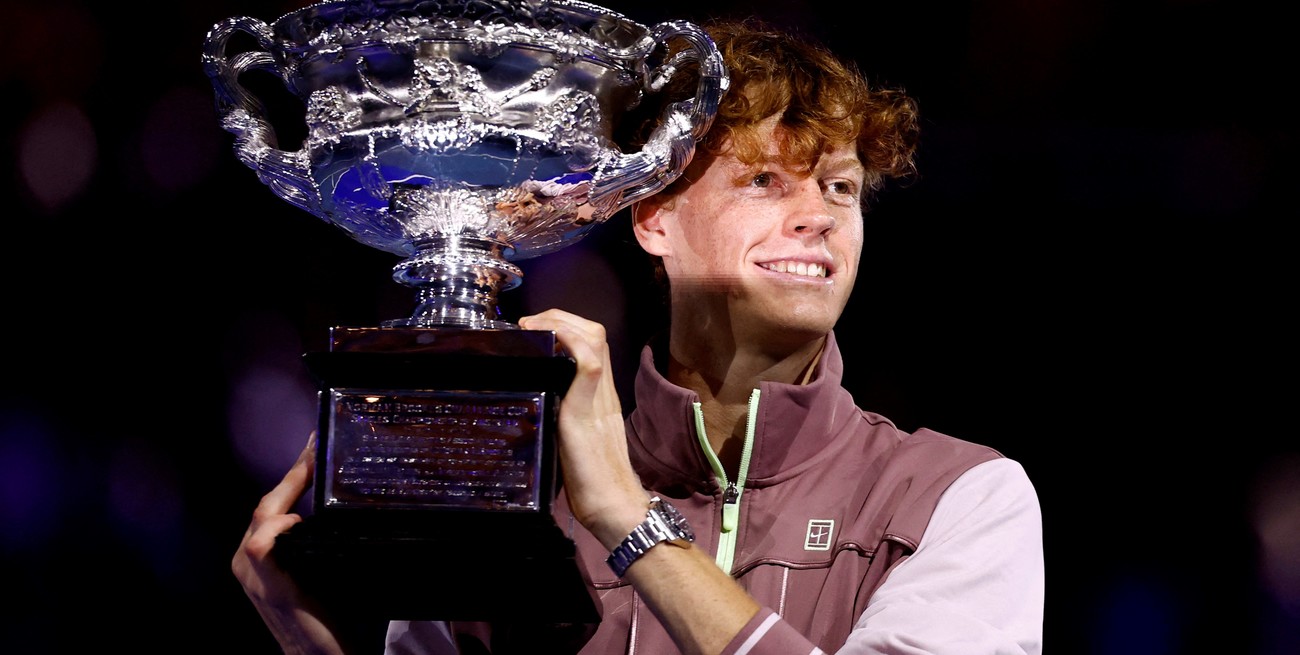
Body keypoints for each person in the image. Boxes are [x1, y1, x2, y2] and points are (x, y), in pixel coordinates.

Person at [233, 17, 1045, 655]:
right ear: (656, 220)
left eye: (839, 187)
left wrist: (630, 521)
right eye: (765, 180)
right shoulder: (526, 498)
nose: (818, 216)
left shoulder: (956, 495)